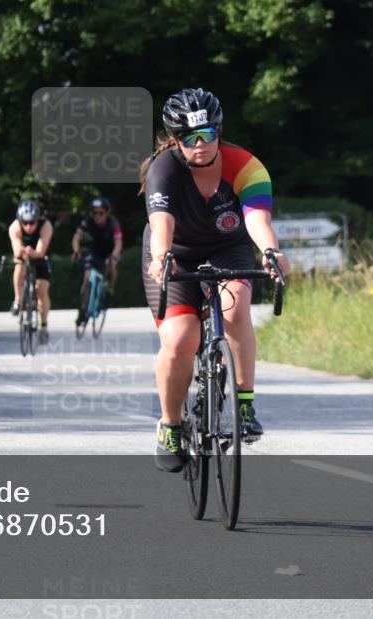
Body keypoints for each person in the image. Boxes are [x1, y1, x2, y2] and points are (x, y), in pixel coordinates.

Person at [140, 88, 290, 472]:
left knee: (236, 307)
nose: (201, 144)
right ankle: (170, 425)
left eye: (208, 133)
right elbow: (162, 225)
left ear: (220, 130)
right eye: (190, 138)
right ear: (176, 140)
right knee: (179, 338)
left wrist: (271, 253)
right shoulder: (164, 169)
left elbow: (258, 220)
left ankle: (244, 403)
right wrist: (161, 258)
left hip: (229, 248)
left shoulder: (247, 166)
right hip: (176, 250)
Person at [72, 197, 123, 325]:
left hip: (111, 251)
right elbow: (77, 237)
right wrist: (76, 251)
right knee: (86, 278)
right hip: (95, 251)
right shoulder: (88, 221)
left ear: (107, 213)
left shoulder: (113, 223)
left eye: (101, 213)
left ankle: (109, 292)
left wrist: (113, 256)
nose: (97, 216)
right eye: (94, 213)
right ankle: (82, 310)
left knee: (112, 266)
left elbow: (118, 243)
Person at [8, 200, 53, 343]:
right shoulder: (14, 227)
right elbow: (16, 250)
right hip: (24, 256)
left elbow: (40, 252)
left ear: (37, 219)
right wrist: (23, 252)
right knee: (19, 265)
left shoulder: (46, 226)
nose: (28, 226)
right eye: (25, 223)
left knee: (42, 290)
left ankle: (43, 324)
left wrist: (31, 251)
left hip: (41, 257)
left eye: (32, 222)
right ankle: (18, 298)